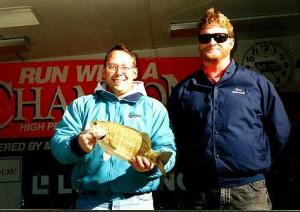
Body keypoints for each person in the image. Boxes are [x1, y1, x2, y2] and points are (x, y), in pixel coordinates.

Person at [168, 8, 291, 210]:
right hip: (199, 193)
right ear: (199, 43)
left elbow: (281, 131)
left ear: (231, 42)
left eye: (219, 36)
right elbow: (174, 136)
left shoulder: (257, 84)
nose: (212, 42)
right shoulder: (183, 90)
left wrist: (257, 161)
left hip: (249, 193)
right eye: (205, 37)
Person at [50, 44, 176, 210]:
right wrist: (77, 145)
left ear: (135, 72)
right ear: (104, 71)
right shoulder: (81, 105)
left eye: (125, 67)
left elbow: (168, 151)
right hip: (91, 203)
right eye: (112, 67)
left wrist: (151, 168)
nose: (119, 73)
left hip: (138, 203)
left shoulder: (154, 108)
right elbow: (58, 145)